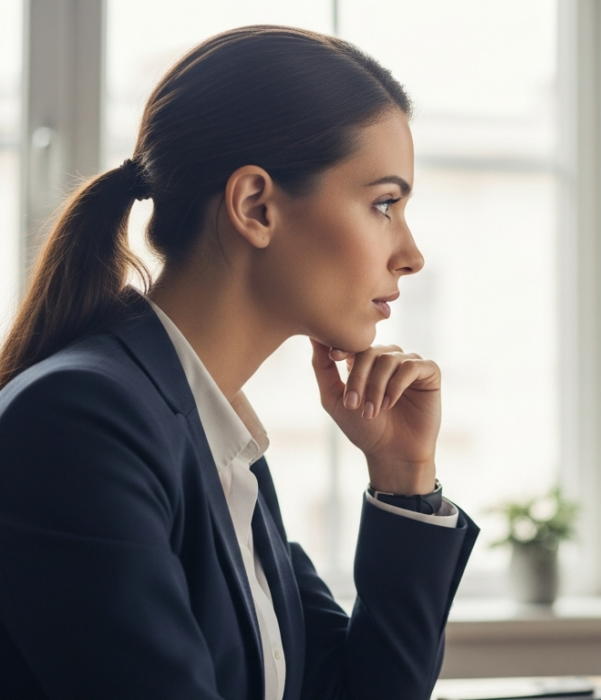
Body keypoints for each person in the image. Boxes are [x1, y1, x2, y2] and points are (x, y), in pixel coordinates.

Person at [0, 25, 477, 700]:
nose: (410, 253)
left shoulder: (217, 442)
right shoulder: (82, 421)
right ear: (256, 205)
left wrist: (404, 482)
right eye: (383, 205)